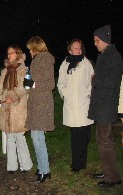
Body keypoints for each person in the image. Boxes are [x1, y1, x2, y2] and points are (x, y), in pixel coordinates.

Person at [0, 45, 33, 174]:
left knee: (20, 137)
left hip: (19, 108)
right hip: (7, 108)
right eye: (8, 53)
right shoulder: (5, 71)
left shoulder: (25, 70)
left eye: (12, 52)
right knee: (9, 137)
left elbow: (26, 87)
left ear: (18, 54)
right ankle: (11, 166)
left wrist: (14, 95)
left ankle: (26, 165)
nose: (9, 55)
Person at [88, 25, 122, 188]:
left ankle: (112, 178)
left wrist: (95, 79)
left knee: (104, 141)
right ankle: (108, 171)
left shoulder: (113, 56)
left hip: (106, 106)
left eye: (97, 40)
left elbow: (112, 82)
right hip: (102, 105)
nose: (95, 43)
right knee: (104, 140)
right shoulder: (106, 55)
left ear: (105, 40)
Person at [57, 39, 94, 172]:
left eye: (79, 48)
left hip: (83, 104)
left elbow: (91, 80)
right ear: (70, 50)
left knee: (83, 136)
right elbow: (60, 83)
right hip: (71, 105)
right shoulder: (65, 64)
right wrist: (66, 94)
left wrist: (87, 93)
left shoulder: (86, 63)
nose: (78, 50)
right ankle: (75, 164)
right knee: (74, 136)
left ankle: (82, 162)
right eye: (75, 48)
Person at [24, 35, 55, 183]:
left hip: (42, 105)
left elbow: (50, 84)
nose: (29, 52)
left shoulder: (46, 59)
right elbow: (34, 81)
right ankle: (42, 167)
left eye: (30, 49)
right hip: (36, 103)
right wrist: (28, 84)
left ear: (36, 47)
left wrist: (33, 85)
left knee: (38, 139)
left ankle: (45, 171)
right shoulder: (36, 60)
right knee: (35, 138)